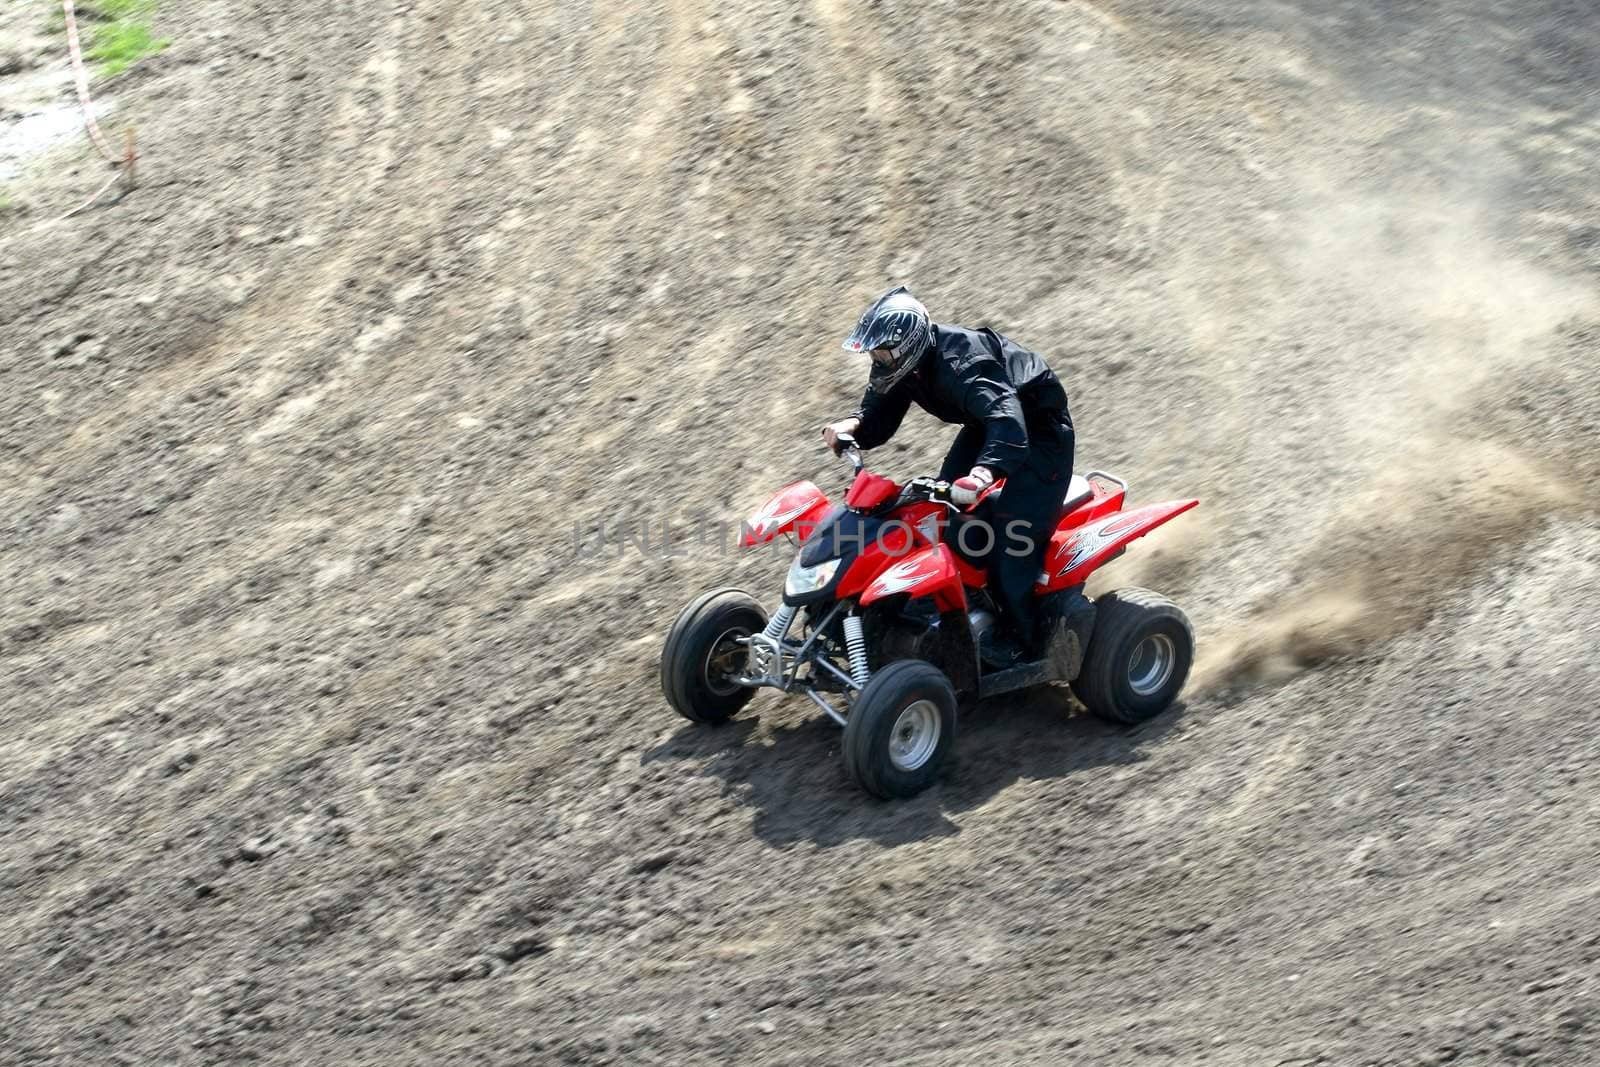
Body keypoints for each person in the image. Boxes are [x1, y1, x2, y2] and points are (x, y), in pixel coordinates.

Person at [823, 286, 1076, 665]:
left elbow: (1008, 421)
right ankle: (963, 610)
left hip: (1038, 433)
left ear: (908, 344)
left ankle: (1025, 643)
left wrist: (982, 473)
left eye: (882, 352)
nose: (877, 359)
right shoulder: (905, 367)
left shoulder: (962, 364)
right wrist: (854, 424)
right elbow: (880, 413)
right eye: (874, 352)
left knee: (1013, 541)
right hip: (985, 426)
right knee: (939, 515)